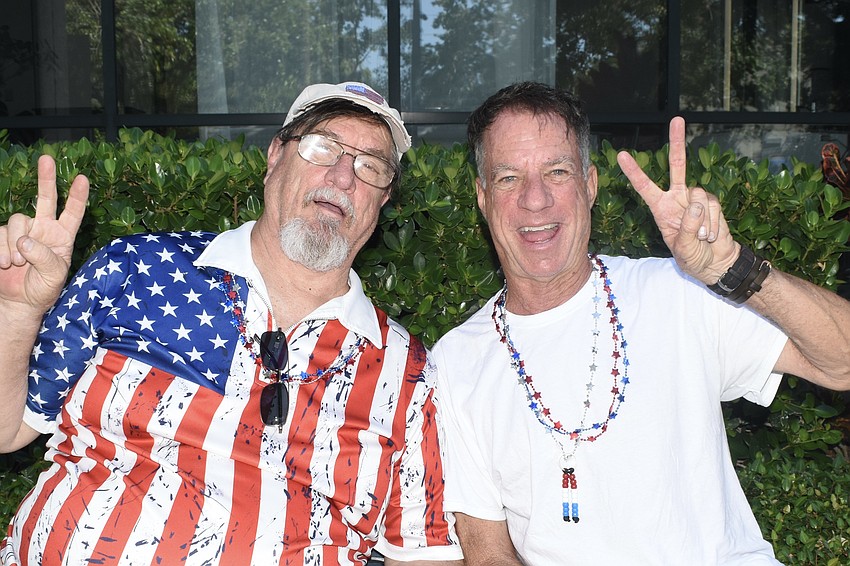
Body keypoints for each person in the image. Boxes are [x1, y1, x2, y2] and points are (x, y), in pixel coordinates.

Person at [0, 82, 463, 566]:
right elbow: (9, 430)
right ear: (274, 156)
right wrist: (15, 312)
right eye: (323, 145)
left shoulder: (406, 371)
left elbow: (424, 553)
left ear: (383, 202)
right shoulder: (139, 268)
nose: (344, 176)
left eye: (371, 166)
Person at [432, 81, 850, 564]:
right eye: (508, 178)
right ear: (483, 199)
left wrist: (734, 269)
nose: (535, 199)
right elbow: (488, 553)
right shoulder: (458, 360)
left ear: (590, 186)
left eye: (557, 171)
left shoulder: (681, 294)